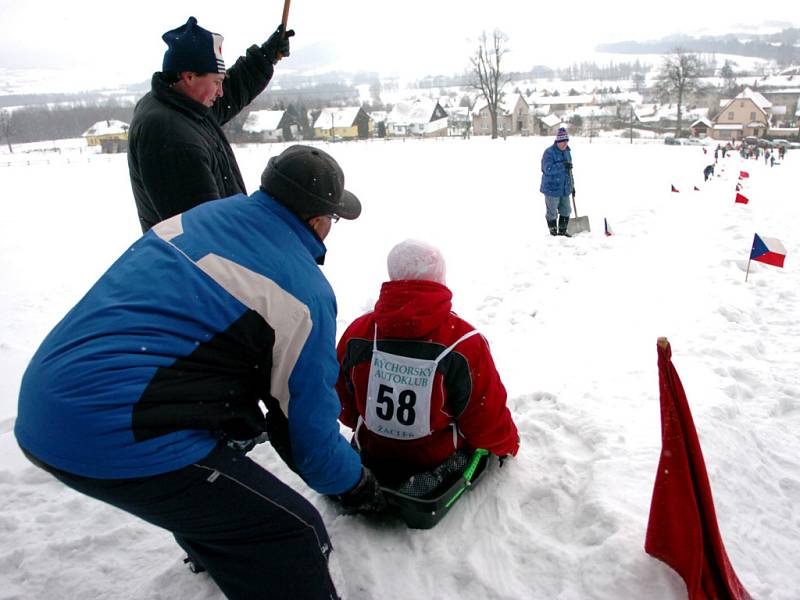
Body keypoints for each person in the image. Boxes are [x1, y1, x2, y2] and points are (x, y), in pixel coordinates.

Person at [15, 145, 386, 600]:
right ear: (316, 222)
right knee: (293, 534)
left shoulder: (201, 217)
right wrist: (359, 486)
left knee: (228, 443)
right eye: (333, 218)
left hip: (45, 395)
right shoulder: (303, 295)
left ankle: (217, 541)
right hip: (106, 429)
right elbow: (308, 441)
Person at [335, 239, 520, 489]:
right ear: (440, 277)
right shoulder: (463, 342)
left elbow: (342, 402)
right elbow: (485, 419)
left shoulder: (358, 333)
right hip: (437, 463)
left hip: (372, 454)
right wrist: (509, 444)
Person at [128, 16, 295, 233]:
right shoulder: (169, 135)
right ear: (188, 76)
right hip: (199, 264)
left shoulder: (183, 105)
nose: (220, 91)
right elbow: (205, 232)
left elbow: (233, 92)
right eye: (216, 81)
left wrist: (266, 56)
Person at [540, 127, 574, 237]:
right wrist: (562, 165)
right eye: (562, 141)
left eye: (566, 141)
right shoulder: (549, 152)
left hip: (565, 188)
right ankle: (553, 233)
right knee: (552, 213)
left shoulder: (567, 152)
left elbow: (569, 172)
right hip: (551, 188)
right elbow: (547, 169)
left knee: (567, 210)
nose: (565, 144)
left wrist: (572, 186)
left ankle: (562, 232)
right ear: (558, 141)